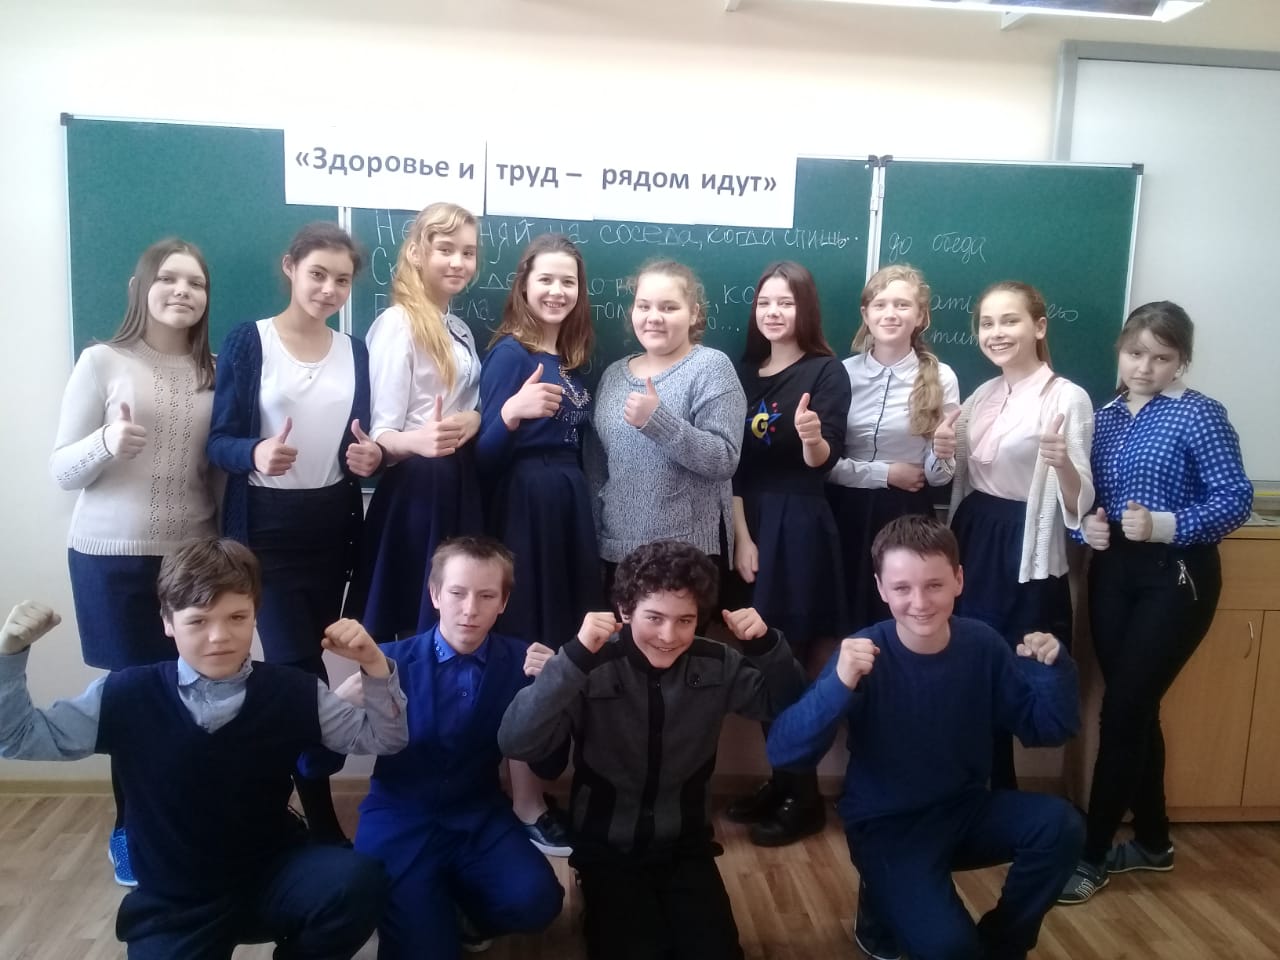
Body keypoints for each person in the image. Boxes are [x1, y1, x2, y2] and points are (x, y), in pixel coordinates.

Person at [0, 537, 408, 960]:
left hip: (271, 874)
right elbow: (19, 736)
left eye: (237, 617)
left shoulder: (293, 691)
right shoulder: (126, 695)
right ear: (168, 621)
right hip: (176, 902)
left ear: (255, 614)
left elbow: (385, 738)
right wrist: (9, 657)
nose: (219, 637)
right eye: (197, 621)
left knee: (357, 882)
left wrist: (375, 666)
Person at [768, 515, 1082, 960]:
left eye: (934, 585)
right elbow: (785, 751)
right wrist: (838, 684)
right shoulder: (862, 653)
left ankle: (1002, 943)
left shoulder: (982, 644)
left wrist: (1053, 670)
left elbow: (1048, 730)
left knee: (1062, 826)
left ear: (958, 580)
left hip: (964, 809)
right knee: (950, 948)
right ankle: (882, 899)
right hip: (886, 827)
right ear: (881, 589)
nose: (919, 602)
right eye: (902, 588)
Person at [498, 539, 806, 960]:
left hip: (685, 845)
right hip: (607, 848)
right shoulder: (590, 663)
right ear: (625, 611)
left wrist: (768, 647)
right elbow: (516, 740)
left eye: (685, 620)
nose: (668, 635)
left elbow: (792, 708)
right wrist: (569, 661)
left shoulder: (717, 663)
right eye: (654, 617)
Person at [1058, 302, 1252, 904]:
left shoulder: (1199, 415)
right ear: (1120, 350)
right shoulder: (1106, 416)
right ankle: (1153, 842)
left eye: (1161, 357)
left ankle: (1092, 855)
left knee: (1122, 712)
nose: (1145, 367)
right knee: (1135, 710)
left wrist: (1165, 524)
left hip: (1177, 577)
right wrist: (1084, 529)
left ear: (1181, 361)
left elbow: (1235, 498)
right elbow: (1087, 499)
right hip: (1114, 573)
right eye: (1135, 353)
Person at [49, 237, 218, 885]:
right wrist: (107, 441)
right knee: (136, 701)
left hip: (192, 562)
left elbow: (216, 473)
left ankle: (184, 820)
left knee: (194, 696)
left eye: (195, 283)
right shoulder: (102, 362)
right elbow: (62, 470)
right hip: (111, 559)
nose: (182, 291)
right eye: (169, 278)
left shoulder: (214, 373)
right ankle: (131, 829)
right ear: (142, 287)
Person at [207, 222, 382, 842]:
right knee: (298, 669)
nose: (329, 289)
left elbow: (359, 446)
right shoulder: (249, 341)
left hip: (333, 528)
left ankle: (270, 800)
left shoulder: (355, 350)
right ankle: (318, 814)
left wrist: (370, 458)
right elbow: (219, 440)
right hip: (266, 531)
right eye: (318, 274)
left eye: (342, 280)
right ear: (290, 268)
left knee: (313, 662)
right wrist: (254, 452)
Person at [338, 537, 564, 958]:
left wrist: (554, 695)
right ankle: (423, 905)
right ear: (435, 594)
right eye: (458, 593)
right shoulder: (386, 662)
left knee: (538, 901)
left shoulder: (522, 662)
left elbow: (549, 764)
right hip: (400, 817)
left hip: (477, 814)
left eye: (486, 596)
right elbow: (313, 762)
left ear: (503, 602)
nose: (470, 609)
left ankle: (457, 907)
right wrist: (335, 708)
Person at [936, 280, 1093, 790]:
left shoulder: (1066, 397)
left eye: (1010, 320)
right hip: (972, 534)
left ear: (1039, 327)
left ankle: (1002, 794)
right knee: (968, 666)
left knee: (1011, 668)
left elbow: (1079, 506)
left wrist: (1063, 463)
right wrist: (943, 450)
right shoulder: (982, 395)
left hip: (1024, 547)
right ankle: (973, 788)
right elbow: (960, 476)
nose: (996, 332)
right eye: (987, 323)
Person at [476, 234, 599, 854]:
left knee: (563, 643)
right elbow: (481, 458)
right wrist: (512, 412)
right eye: (546, 279)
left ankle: (544, 785)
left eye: (568, 281)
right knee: (528, 645)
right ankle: (524, 800)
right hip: (525, 513)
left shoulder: (573, 360)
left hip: (569, 514)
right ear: (523, 284)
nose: (557, 291)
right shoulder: (508, 355)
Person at [729, 260, 852, 847]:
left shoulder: (826, 371)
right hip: (748, 526)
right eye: (765, 302)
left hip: (799, 525)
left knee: (791, 664)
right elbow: (729, 465)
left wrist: (812, 438)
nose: (774, 312)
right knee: (759, 663)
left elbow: (822, 461)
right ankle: (780, 782)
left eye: (786, 302)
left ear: (806, 309)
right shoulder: (739, 372)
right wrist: (741, 537)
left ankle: (802, 796)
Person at [345, 202, 484, 641]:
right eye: (446, 249)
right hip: (419, 490)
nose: (459, 262)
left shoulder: (458, 328)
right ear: (417, 253)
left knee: (457, 621)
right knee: (414, 620)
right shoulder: (397, 324)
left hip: (460, 482)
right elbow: (381, 432)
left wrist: (475, 418)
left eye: (468, 252)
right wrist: (419, 441)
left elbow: (468, 402)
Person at [586, 259, 746, 594]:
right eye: (644, 306)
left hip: (689, 554)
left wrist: (659, 422)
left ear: (694, 313)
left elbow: (724, 459)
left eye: (669, 307)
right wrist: (595, 539)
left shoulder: (710, 367)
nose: (654, 317)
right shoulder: (614, 375)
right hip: (619, 552)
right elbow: (597, 469)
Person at [827, 263, 960, 631]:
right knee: (843, 617)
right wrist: (885, 474)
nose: (890, 314)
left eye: (902, 305)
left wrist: (943, 452)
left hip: (906, 515)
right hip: (843, 510)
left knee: (899, 615)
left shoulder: (941, 377)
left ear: (921, 316)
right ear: (865, 314)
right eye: (880, 304)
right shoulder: (840, 373)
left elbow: (935, 478)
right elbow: (824, 464)